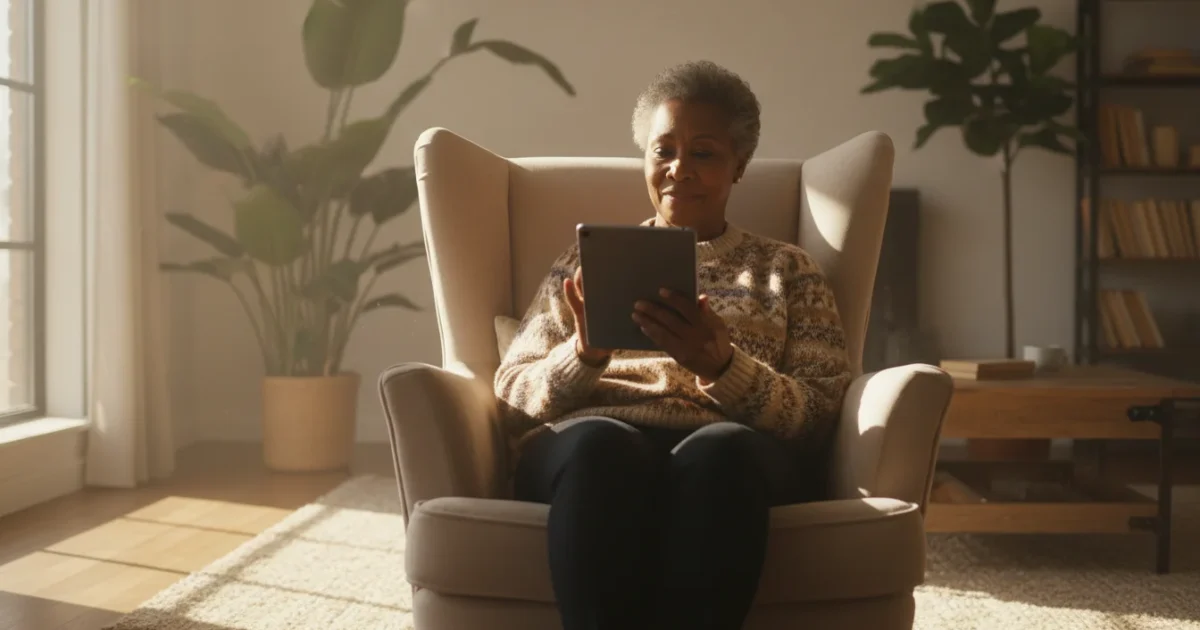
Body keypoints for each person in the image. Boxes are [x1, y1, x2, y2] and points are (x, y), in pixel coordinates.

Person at [493, 60, 853, 630]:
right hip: (593, 443)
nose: (678, 169)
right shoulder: (585, 263)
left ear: (739, 165)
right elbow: (512, 396)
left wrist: (726, 368)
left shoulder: (788, 271)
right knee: (603, 449)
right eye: (663, 151)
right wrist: (582, 357)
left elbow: (819, 414)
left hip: (729, 449)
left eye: (703, 153)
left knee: (717, 453)